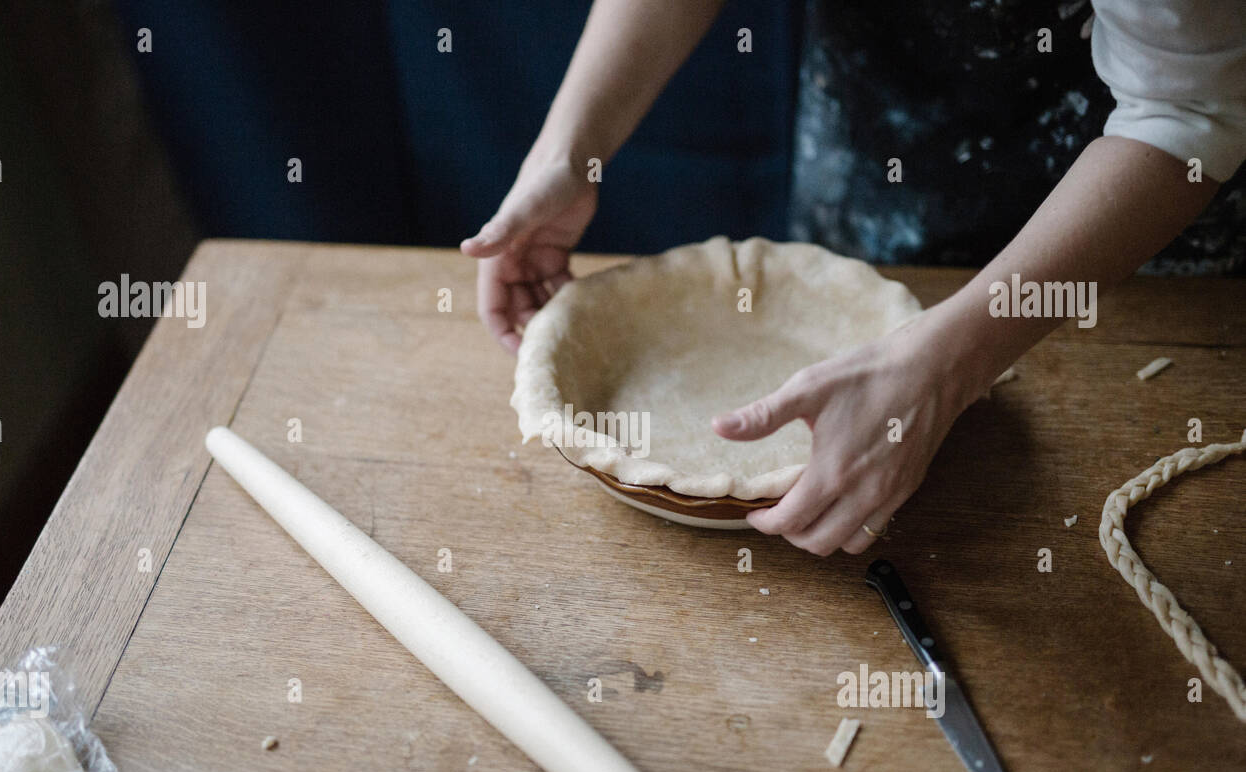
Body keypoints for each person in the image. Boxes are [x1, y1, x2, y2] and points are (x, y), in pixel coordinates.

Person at [460, 0, 1245, 556]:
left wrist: (951, 361)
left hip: (1129, 270)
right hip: (875, 182)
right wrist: (566, 156)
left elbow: (1186, 112)